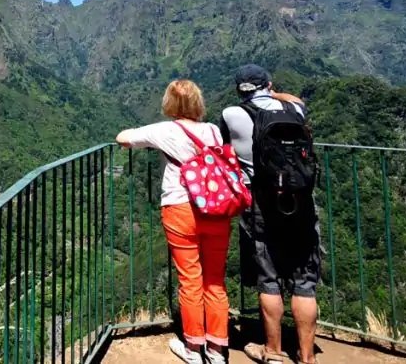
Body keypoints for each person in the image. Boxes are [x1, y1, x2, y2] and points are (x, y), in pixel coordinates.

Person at [117, 79, 231, 364]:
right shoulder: (213, 131)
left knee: (190, 280)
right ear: (197, 102)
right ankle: (217, 352)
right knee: (215, 281)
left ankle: (193, 349)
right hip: (216, 208)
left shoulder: (165, 130)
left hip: (180, 208)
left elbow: (123, 137)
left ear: (170, 103)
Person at [219, 64, 321, 364]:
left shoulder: (231, 115)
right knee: (304, 282)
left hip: (259, 205)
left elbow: (224, 149)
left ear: (240, 90)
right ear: (269, 85)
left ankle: (273, 350)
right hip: (301, 204)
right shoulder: (296, 111)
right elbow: (299, 101)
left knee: (269, 278)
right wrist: (276, 92)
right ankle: (307, 357)